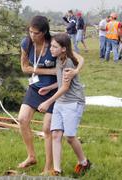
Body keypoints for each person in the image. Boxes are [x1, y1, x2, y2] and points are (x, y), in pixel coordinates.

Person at [17, 15, 84, 174]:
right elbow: (24, 68)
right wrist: (50, 71)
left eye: (36, 33)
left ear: (44, 32)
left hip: (55, 89)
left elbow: (79, 59)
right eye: (30, 32)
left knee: (47, 129)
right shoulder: (26, 43)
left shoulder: (54, 43)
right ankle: (31, 156)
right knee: (22, 119)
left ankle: (48, 168)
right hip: (36, 87)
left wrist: (75, 71)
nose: (33, 36)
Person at [38, 33, 91, 176]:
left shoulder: (67, 62)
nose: (51, 49)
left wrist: (48, 101)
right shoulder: (58, 60)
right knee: (55, 134)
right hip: (61, 102)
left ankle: (84, 162)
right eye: (51, 46)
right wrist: (48, 88)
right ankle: (57, 170)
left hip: (73, 102)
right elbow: (61, 82)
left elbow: (65, 87)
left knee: (69, 137)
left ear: (63, 49)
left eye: (55, 47)